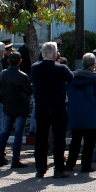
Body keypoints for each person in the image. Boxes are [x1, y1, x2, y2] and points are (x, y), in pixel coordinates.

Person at [30, 42, 74, 178]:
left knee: (41, 138)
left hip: (41, 105)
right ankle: (59, 168)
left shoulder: (35, 67)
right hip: (58, 105)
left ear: (43, 54)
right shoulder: (62, 68)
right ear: (55, 54)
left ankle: (40, 169)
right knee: (59, 138)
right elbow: (71, 78)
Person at [65, 53, 96, 174]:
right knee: (89, 143)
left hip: (75, 114)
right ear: (94, 65)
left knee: (75, 140)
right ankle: (86, 165)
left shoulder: (72, 78)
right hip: (92, 115)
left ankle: (70, 164)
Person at [0, 51, 32, 168]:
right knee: (18, 133)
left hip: (7, 105)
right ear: (20, 62)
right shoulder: (23, 76)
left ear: (8, 61)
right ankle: (15, 158)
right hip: (21, 107)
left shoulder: (3, 74)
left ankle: (0, 156)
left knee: (5, 131)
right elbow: (30, 90)